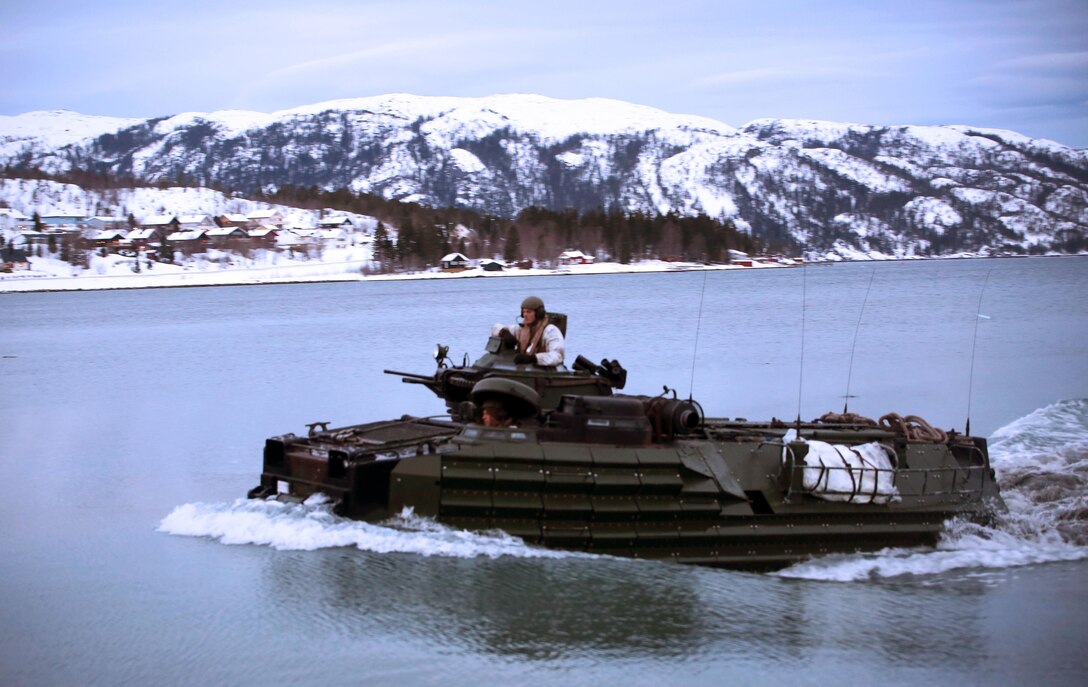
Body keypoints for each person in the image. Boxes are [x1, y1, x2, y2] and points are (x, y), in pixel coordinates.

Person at [491, 295, 565, 366]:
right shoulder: (521, 329)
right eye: (523, 312)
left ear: (539, 313)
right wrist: (504, 332)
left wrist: (534, 358)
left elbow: (557, 356)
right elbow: (495, 327)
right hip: (526, 370)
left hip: (544, 374)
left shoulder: (550, 331)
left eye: (528, 312)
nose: (525, 315)